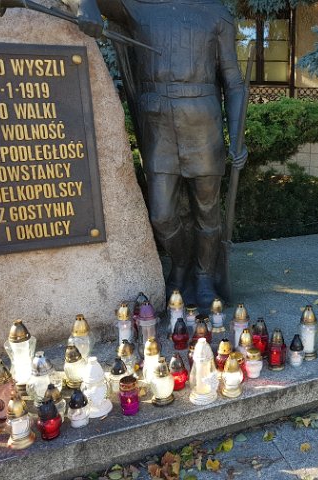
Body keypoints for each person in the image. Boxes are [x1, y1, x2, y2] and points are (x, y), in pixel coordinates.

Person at [65, 0, 248, 307]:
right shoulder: (139, 6)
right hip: (158, 120)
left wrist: (237, 137)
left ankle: (204, 276)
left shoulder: (216, 13)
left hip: (202, 120)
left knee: (207, 211)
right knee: (162, 215)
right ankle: (181, 263)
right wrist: (87, 6)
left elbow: (234, 83)